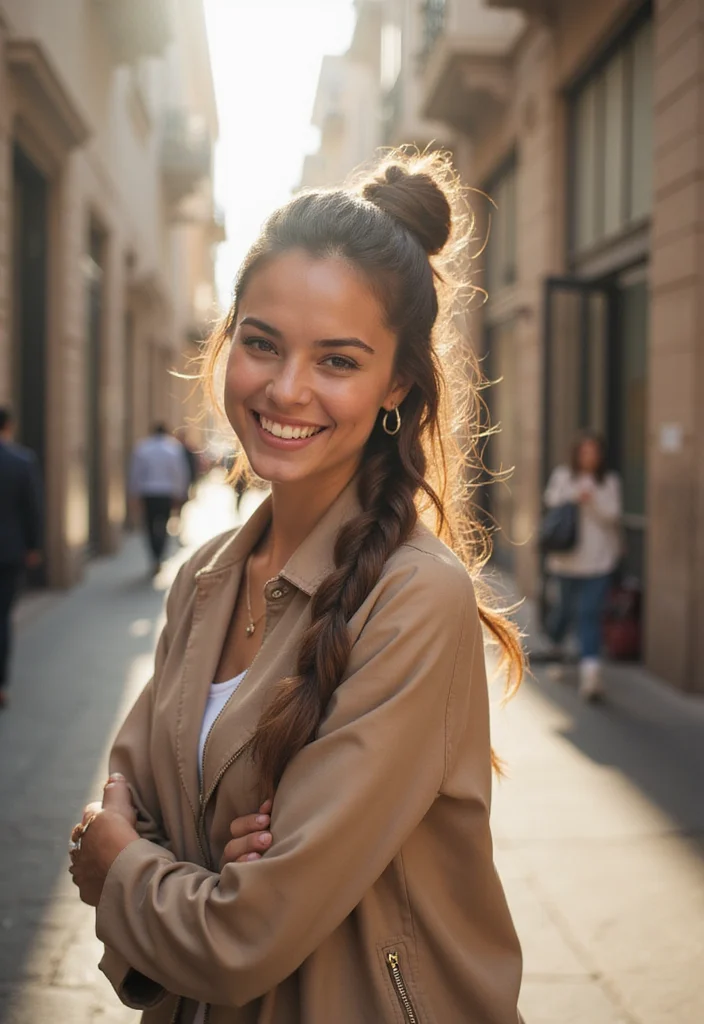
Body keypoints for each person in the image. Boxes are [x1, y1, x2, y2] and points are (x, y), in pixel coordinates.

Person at [69, 152, 526, 1023]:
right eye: (262, 343)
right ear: (228, 341)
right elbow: (137, 816)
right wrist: (194, 865)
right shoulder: (202, 580)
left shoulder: (415, 599)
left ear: (396, 383)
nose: (286, 389)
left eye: (338, 361)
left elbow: (238, 934)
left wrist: (123, 865)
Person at [543, 432, 623, 700]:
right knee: (565, 611)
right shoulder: (563, 476)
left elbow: (612, 515)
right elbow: (551, 500)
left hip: (599, 562)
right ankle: (557, 647)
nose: (589, 456)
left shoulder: (609, 481)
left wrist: (593, 501)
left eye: (594, 451)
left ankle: (591, 676)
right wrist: (575, 495)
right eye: (585, 451)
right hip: (566, 562)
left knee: (589, 614)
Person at [0, 407, 43, 709]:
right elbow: (32, 508)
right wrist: (33, 546)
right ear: (10, 426)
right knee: (2, 618)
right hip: (9, 551)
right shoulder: (21, 461)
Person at [128, 424, 190, 575]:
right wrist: (181, 492)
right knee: (163, 525)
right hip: (166, 493)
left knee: (149, 526)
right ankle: (160, 555)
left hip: (148, 492)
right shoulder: (173, 448)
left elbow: (135, 473)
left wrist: (133, 493)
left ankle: (154, 556)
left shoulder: (143, 448)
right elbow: (179, 472)